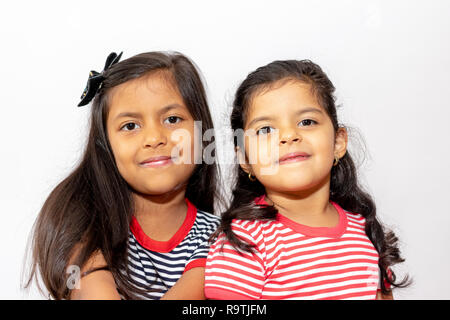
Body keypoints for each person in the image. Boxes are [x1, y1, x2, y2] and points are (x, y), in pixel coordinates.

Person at [205, 59, 410, 300]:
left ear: (338, 142)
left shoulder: (364, 231)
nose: (289, 135)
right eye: (265, 129)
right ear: (245, 159)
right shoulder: (244, 240)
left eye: (307, 122)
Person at [25, 51, 221, 300]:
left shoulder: (223, 238)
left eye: (172, 119)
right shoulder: (83, 223)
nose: (154, 138)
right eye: (130, 126)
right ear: (106, 144)